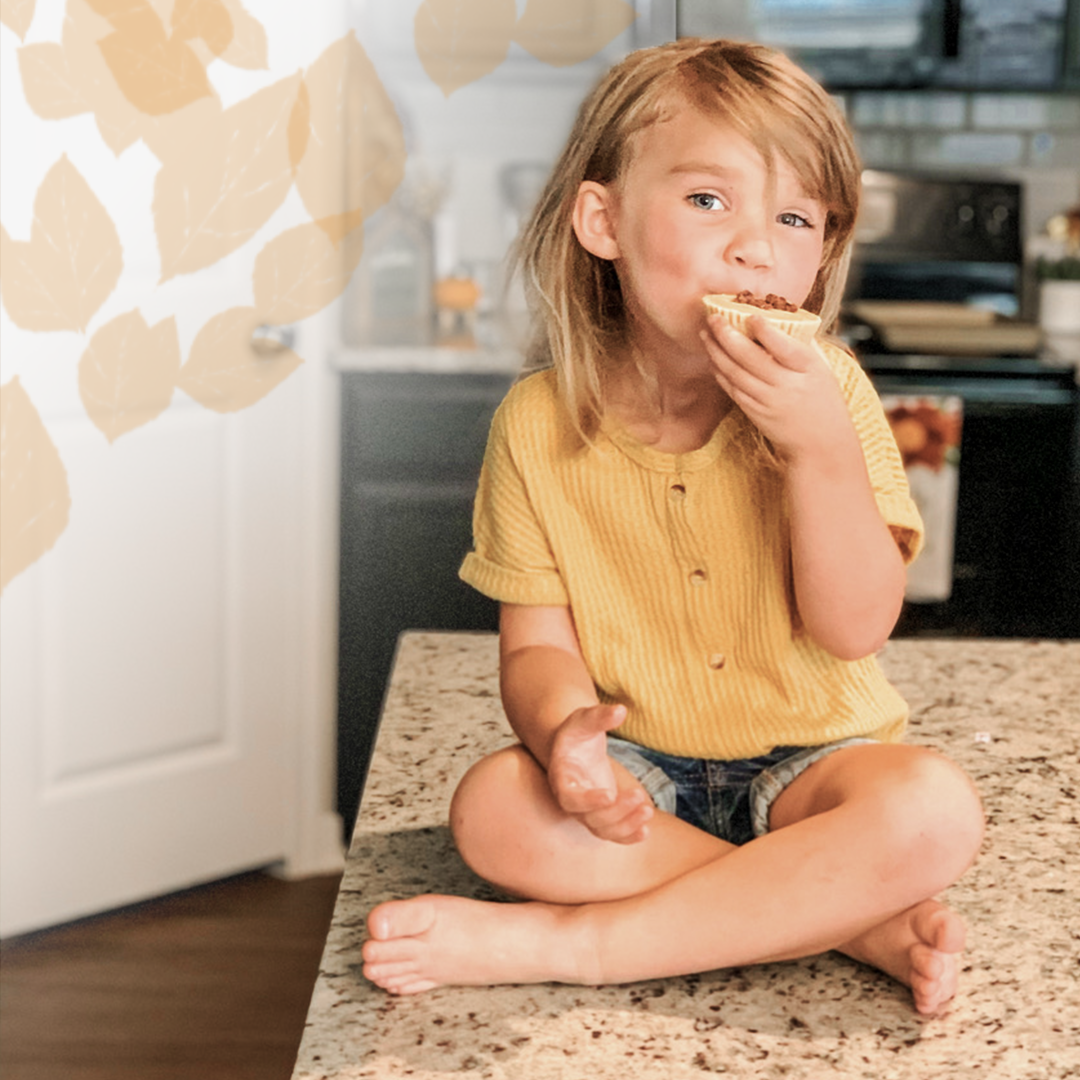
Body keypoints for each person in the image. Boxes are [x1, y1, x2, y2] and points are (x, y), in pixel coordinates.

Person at [361, 37, 984, 1015]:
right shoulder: (536, 423)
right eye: (708, 200)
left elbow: (854, 628)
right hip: (638, 774)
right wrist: (564, 736)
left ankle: (580, 946)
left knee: (935, 811)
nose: (755, 248)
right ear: (602, 221)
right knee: (493, 809)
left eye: (794, 217)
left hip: (815, 769)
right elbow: (537, 648)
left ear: (823, 253)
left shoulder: (834, 397)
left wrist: (819, 452)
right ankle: (843, 918)